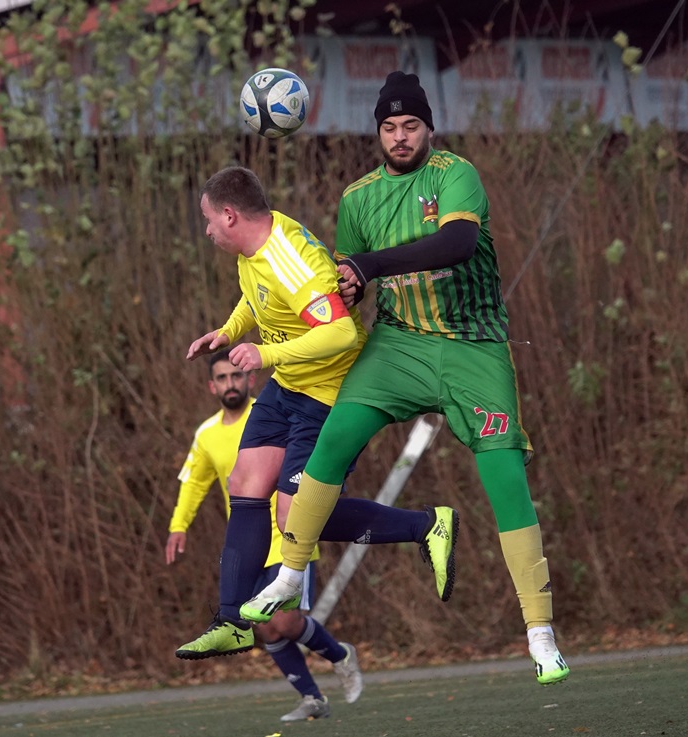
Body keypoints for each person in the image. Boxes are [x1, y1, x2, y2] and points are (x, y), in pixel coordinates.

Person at [240, 71, 570, 686]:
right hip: (396, 344)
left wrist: (370, 264)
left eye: (410, 125)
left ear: (429, 129)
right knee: (331, 443)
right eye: (389, 127)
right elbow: (351, 286)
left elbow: (457, 243)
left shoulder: (455, 174)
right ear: (378, 133)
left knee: (505, 477)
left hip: (473, 347)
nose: (400, 136)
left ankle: (540, 631)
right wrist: (344, 286)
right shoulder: (358, 199)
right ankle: (288, 575)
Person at [174, 166, 457, 680]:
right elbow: (258, 299)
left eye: (208, 219)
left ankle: (425, 525)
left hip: (330, 393)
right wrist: (229, 331)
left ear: (230, 215)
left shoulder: (288, 258)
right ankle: (232, 621)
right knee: (246, 483)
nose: (208, 229)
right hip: (290, 384)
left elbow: (341, 334)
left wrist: (263, 354)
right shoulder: (253, 251)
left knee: (298, 517)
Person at [167, 351, 362, 721]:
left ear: (250, 379)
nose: (230, 383)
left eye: (236, 375)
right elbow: (193, 482)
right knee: (263, 628)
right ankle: (312, 698)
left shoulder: (275, 412)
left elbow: (308, 455)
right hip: (249, 543)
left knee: (284, 622)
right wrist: (178, 526)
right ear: (212, 387)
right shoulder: (206, 435)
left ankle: (341, 655)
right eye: (222, 378)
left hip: (289, 535)